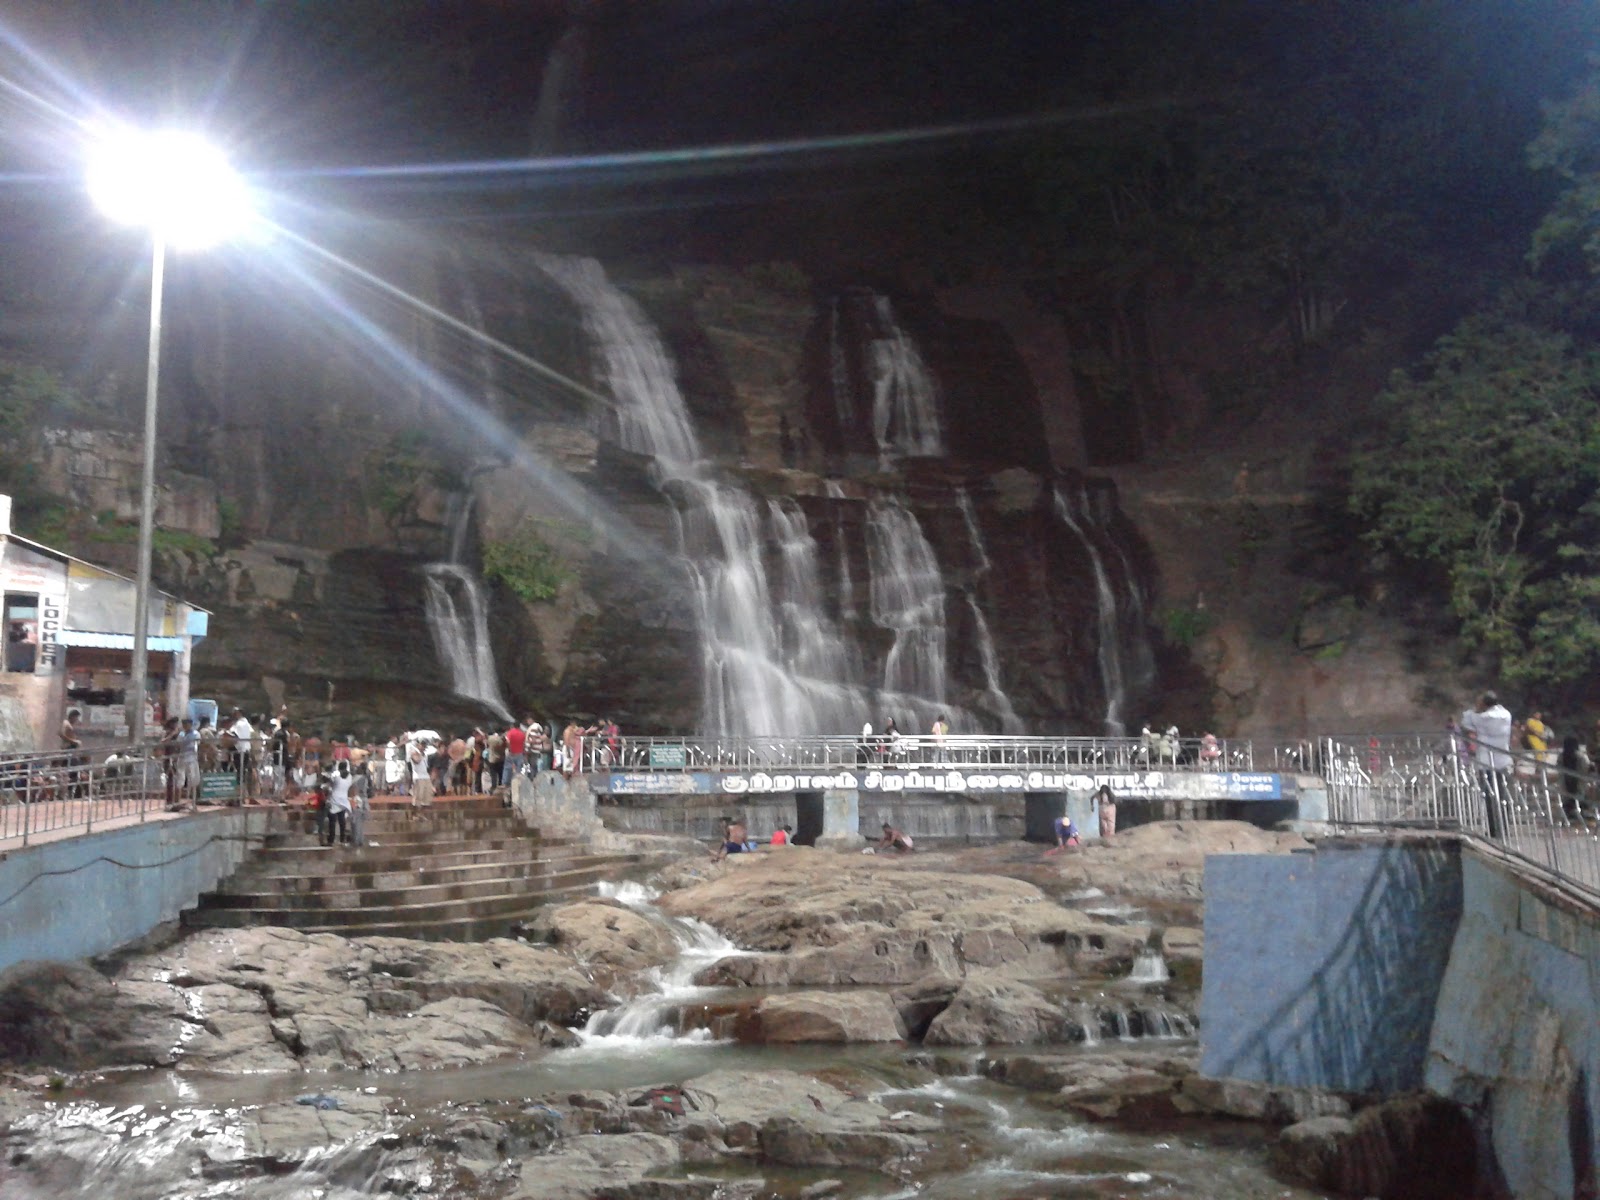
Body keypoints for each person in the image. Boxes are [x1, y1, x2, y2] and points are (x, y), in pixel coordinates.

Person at [1460, 690, 1513, 839]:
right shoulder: (1505, 714)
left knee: (1490, 796)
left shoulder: (1482, 718)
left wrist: (1475, 709)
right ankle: (1503, 828)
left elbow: (1465, 720)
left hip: (1487, 762)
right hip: (1503, 761)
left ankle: (1494, 830)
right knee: (1502, 795)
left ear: (1484, 703)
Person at [1558, 734, 1590, 822]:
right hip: (1578, 783)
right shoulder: (1581, 756)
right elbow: (1586, 768)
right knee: (1578, 798)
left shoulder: (1561, 756)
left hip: (1567, 782)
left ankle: (1570, 815)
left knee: (1569, 800)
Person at [323, 760, 354, 846]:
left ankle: (331, 840)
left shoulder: (336, 776)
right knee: (342, 821)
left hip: (334, 799)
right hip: (344, 800)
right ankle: (342, 838)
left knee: (332, 821)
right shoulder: (350, 777)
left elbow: (330, 782)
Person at [173, 717, 201, 809]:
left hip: (192, 758)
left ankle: (193, 802)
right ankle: (178, 802)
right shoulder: (181, 734)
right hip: (182, 758)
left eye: (187, 724)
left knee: (193, 779)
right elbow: (178, 745)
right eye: (184, 724)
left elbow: (197, 744)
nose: (185, 726)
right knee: (180, 779)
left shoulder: (196, 734)